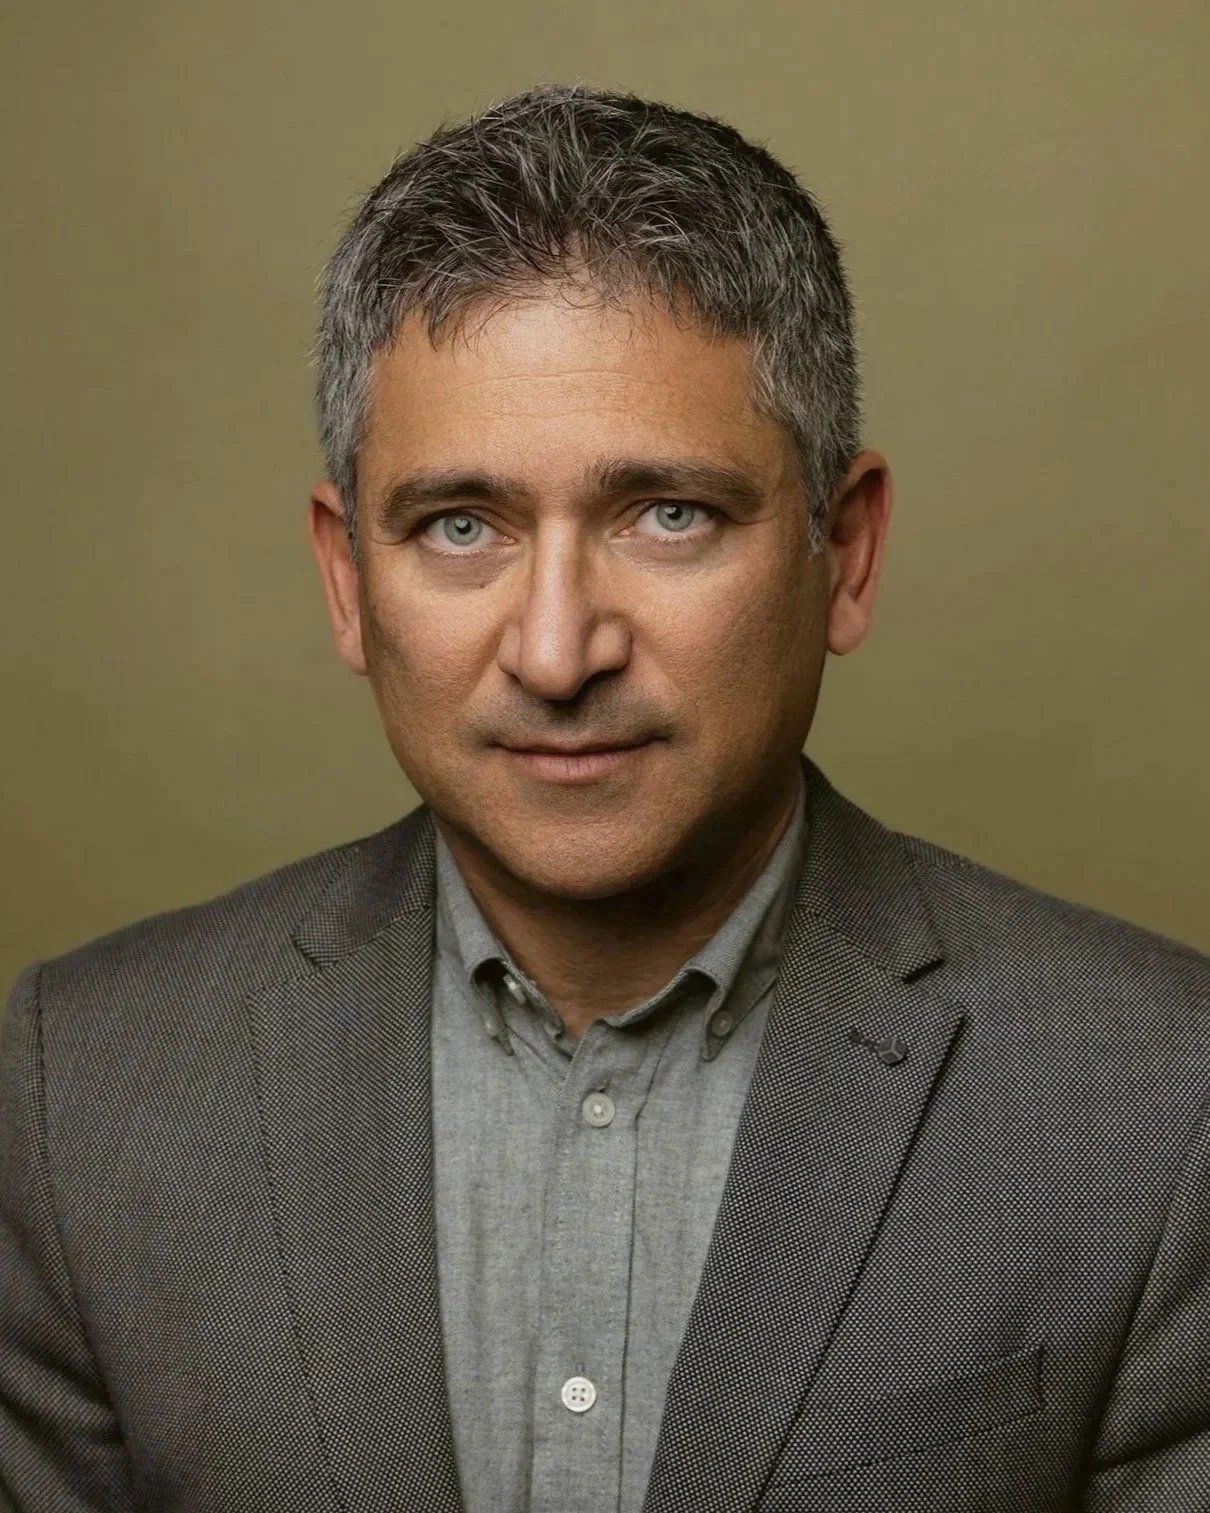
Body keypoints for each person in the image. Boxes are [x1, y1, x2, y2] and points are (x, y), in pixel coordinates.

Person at [1, 84, 1207, 1513]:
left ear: (847, 550)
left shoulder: (1160, 1108)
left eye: (668, 514)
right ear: (345, 578)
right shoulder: (79, 1098)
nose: (559, 648)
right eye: (460, 525)